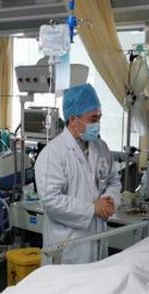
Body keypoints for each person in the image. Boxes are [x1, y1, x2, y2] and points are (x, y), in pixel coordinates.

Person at [34, 83, 122, 264]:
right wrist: (92, 208)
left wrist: (110, 199)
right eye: (93, 119)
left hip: (96, 239)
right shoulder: (53, 154)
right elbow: (50, 200)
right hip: (67, 248)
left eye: (99, 118)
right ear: (73, 119)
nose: (97, 124)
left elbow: (113, 181)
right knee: (68, 282)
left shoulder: (101, 148)